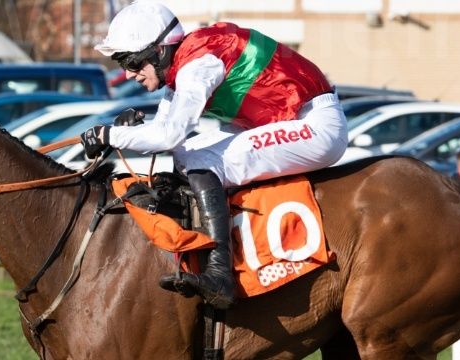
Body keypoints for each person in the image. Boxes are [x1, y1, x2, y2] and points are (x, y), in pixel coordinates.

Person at [83, 1, 347, 309]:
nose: (129, 74)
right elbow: (166, 133)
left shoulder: (199, 65)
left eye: (131, 62)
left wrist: (109, 136)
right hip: (294, 118)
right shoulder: (184, 64)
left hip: (315, 125)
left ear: (158, 50)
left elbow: (169, 135)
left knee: (201, 160)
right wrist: (127, 129)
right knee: (189, 155)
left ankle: (220, 275)